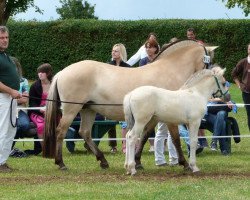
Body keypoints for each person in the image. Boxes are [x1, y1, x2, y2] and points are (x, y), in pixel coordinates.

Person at [0, 26, 22, 172]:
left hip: (11, 98)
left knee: (10, 130)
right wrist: (11, 91)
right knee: (2, 129)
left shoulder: (6, 56)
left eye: (6, 37)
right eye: (1, 38)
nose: (5, 40)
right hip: (3, 98)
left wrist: (17, 93)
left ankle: (3, 161)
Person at [24, 63, 53, 155]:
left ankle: (54, 148)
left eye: (42, 72)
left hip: (52, 111)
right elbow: (32, 103)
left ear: (48, 73)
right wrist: (40, 110)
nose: (39, 74)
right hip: (36, 112)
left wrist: (50, 110)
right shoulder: (34, 86)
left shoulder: (54, 85)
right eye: (39, 72)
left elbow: (59, 101)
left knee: (55, 125)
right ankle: (46, 150)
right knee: (41, 126)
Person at [139, 38, 160, 152]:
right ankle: (152, 144)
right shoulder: (143, 61)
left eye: (150, 47)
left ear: (155, 48)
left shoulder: (160, 60)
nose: (148, 49)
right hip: (147, 92)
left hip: (159, 92)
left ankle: (163, 143)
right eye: (146, 47)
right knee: (149, 119)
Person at [109, 43, 130, 153]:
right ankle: (113, 146)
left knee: (125, 123)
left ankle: (125, 145)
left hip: (123, 97)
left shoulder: (127, 67)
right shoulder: (108, 66)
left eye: (116, 51)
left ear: (121, 52)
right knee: (110, 123)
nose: (113, 52)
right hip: (109, 98)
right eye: (113, 50)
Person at [9, 57, 29, 158]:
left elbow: (25, 99)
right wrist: (18, 99)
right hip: (6, 109)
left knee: (24, 125)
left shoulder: (23, 81)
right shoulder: (4, 81)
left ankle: (9, 148)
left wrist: (11, 100)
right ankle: (8, 149)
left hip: (20, 109)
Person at [232, 43, 250, 131]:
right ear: (248, 50)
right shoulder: (243, 62)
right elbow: (234, 74)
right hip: (247, 93)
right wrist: (239, 85)